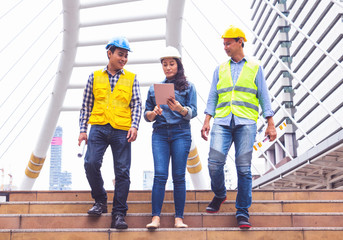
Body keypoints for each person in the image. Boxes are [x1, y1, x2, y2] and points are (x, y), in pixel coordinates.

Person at [201, 26, 277, 229]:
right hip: (222, 122)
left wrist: (271, 124)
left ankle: (242, 211)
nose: (225, 47)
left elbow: (264, 96)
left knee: (243, 169)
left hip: (246, 123)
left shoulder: (255, 66)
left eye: (228, 43)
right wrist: (207, 120)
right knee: (214, 163)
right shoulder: (220, 69)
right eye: (223, 43)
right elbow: (212, 96)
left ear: (240, 42)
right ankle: (220, 194)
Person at [78, 36, 142, 229]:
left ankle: (119, 214)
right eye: (120, 54)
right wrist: (82, 130)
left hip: (122, 129)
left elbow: (137, 103)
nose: (123, 59)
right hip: (98, 126)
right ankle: (100, 201)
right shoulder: (94, 76)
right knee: (90, 163)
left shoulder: (131, 78)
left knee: (122, 172)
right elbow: (86, 106)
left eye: (126, 56)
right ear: (109, 54)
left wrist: (135, 125)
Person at [144, 46, 197, 229]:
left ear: (178, 65)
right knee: (159, 175)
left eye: (171, 64)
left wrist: (179, 109)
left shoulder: (189, 87)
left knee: (179, 176)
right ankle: (155, 218)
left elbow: (193, 111)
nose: (168, 67)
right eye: (165, 64)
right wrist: (154, 112)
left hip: (181, 132)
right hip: (159, 133)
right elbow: (146, 116)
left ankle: (179, 218)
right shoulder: (154, 89)